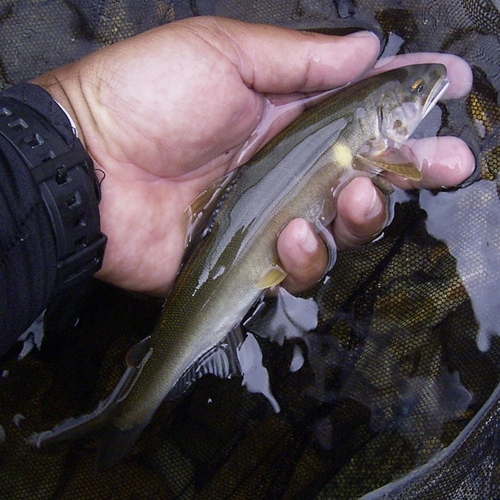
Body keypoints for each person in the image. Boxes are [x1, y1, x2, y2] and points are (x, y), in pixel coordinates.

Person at [0, 16, 475, 357]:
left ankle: (139, 395)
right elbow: (404, 170)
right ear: (381, 122)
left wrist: (72, 129)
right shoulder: (376, 145)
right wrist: (74, 128)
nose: (423, 96)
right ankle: (136, 405)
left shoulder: (367, 134)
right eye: (413, 98)